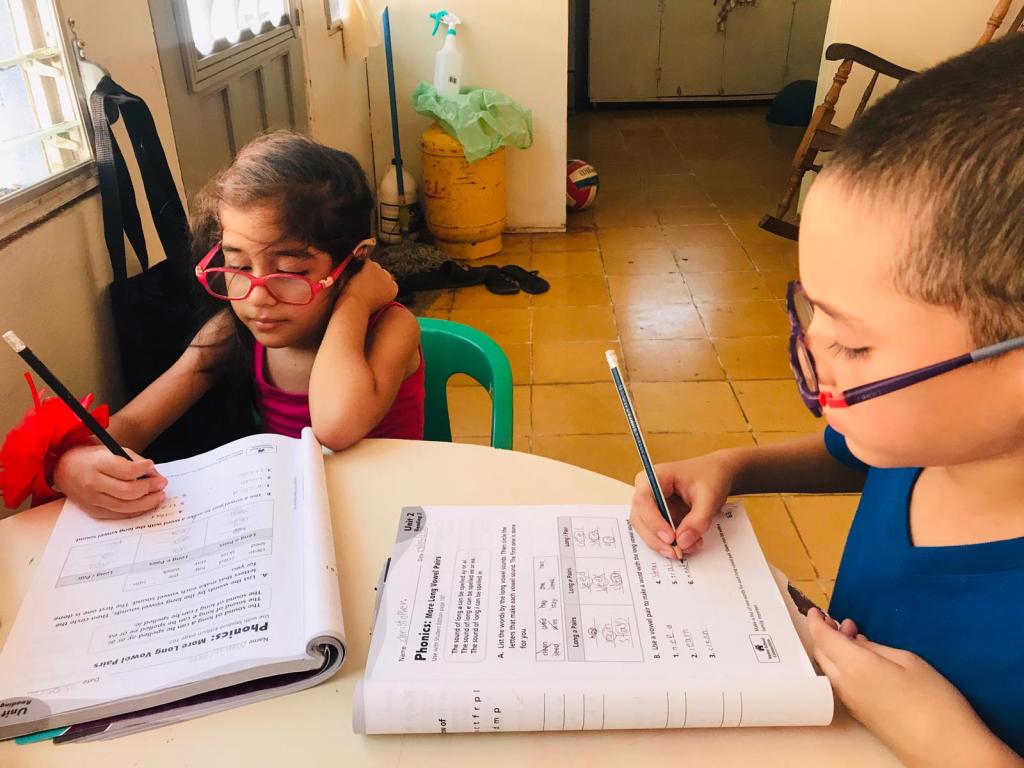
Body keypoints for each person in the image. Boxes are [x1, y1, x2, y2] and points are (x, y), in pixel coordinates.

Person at [629, 35, 1024, 766]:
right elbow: (855, 459)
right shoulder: (925, 440)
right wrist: (734, 467)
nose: (814, 351)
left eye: (856, 345)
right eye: (814, 311)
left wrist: (950, 745)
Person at [54, 132, 424, 519]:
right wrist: (70, 465)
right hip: (295, 517)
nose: (257, 296)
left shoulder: (392, 328)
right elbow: (134, 421)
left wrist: (355, 300)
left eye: (290, 271)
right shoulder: (231, 332)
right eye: (238, 265)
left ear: (356, 260)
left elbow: (335, 426)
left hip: (391, 515)